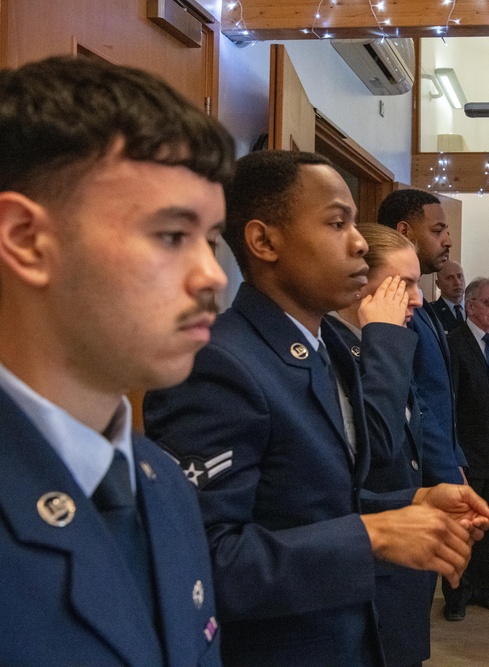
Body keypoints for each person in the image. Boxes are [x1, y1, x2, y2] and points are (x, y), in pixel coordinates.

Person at [144, 151, 489, 666]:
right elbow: (201, 560)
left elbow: (313, 504)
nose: (357, 241)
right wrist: (374, 534)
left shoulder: (328, 343)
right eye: (336, 222)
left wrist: (409, 501)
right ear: (264, 242)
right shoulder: (220, 364)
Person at [0, 55, 231, 666]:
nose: (212, 276)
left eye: (211, 240)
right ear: (26, 239)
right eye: (170, 235)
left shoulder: (161, 484)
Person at [328, 223, 435, 667]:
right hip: (365, 566)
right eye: (403, 283)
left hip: (399, 563)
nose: (418, 298)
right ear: (359, 284)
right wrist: (385, 340)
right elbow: (380, 445)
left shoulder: (375, 346)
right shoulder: (352, 348)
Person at [377, 189, 468, 485]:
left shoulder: (421, 305)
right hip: (418, 473)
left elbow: (440, 395)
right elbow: (413, 401)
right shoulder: (392, 308)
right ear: (405, 231)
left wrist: (456, 460)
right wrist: (449, 473)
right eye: (438, 230)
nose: (448, 241)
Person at [444, 277, 489, 621]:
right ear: (470, 305)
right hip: (469, 457)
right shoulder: (453, 344)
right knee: (462, 532)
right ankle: (457, 595)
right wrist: (453, 455)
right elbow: (449, 407)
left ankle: (484, 588)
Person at [429, 259, 467, 333]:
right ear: (438, 284)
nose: (457, 282)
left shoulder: (475, 308)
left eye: (460, 276)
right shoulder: (431, 312)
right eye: (450, 278)